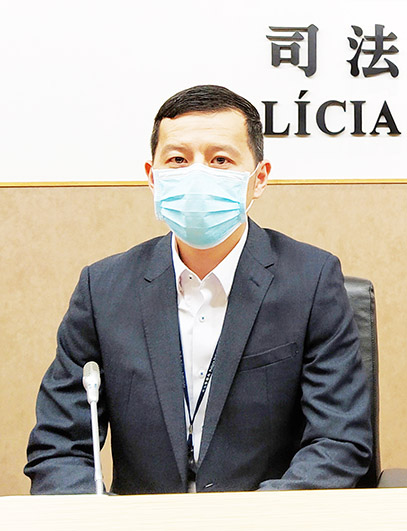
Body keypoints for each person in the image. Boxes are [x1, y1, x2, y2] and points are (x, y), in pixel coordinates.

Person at [25, 85, 372, 494]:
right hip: (141, 522)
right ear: (152, 177)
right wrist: (102, 517)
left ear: (259, 179)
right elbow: (59, 447)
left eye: (220, 159)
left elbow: (338, 440)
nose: (197, 174)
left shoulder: (311, 281)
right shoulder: (102, 289)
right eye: (178, 159)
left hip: (265, 518)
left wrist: (255, 518)